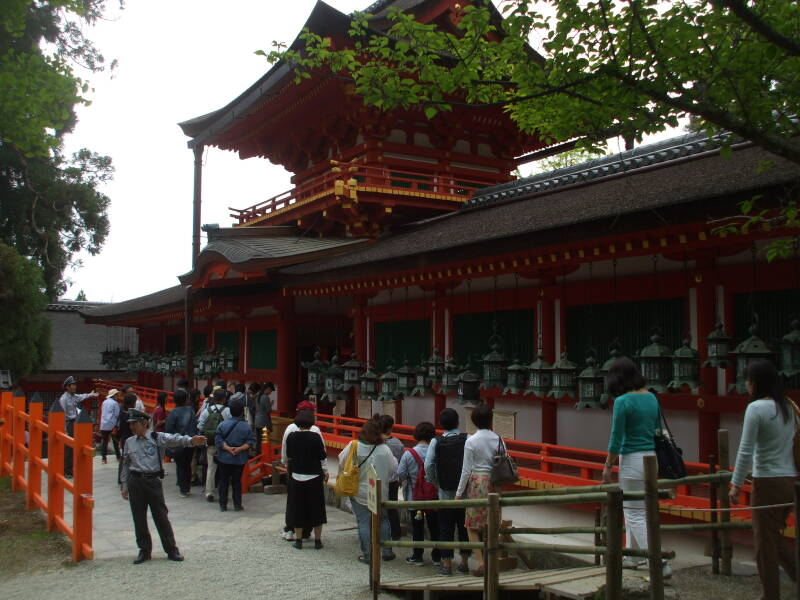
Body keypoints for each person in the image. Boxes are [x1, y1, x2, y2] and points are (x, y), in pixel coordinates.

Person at [730, 360, 797, 600]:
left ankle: (770, 595)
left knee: (764, 544)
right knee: (775, 539)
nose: (746, 385)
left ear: (756, 383)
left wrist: (736, 483)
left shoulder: (756, 408)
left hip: (766, 480)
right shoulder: (788, 406)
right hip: (789, 480)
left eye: (747, 380)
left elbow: (746, 450)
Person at [601, 356, 671, 578]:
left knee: (634, 514)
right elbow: (657, 429)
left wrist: (608, 465)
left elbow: (616, 436)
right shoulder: (652, 397)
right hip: (651, 457)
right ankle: (634, 555)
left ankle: (659, 564)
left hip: (631, 459)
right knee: (640, 509)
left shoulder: (622, 402)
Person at [119, 408, 206, 564]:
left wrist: (191, 440)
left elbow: (175, 439)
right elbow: (125, 464)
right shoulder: (129, 442)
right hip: (135, 480)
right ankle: (144, 550)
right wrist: (124, 484)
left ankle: (171, 549)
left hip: (153, 481)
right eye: (130, 424)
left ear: (144, 423)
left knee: (161, 516)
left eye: (135, 423)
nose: (132, 427)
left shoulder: (156, 438)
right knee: (138, 517)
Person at [338, 418, 397, 565]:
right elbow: (393, 469)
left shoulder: (354, 446)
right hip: (380, 491)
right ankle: (387, 552)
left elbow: (341, 461)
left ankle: (368, 555)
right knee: (383, 520)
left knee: (364, 522)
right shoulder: (385, 449)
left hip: (359, 491)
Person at [425, 408, 471, 576]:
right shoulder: (467, 439)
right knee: (464, 527)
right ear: (458, 422)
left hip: (444, 492)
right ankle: (465, 563)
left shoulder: (436, 441)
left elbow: (428, 465)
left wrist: (436, 482)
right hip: (464, 493)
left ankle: (446, 565)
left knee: (445, 527)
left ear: (441, 424)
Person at [455, 403, 497, 577]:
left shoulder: (471, 440)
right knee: (491, 523)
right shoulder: (498, 439)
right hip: (493, 482)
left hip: (477, 481)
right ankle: (491, 559)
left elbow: (466, 469)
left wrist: (459, 493)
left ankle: (481, 562)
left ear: (474, 421)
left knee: (471, 525)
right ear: (490, 419)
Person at [397, 421, 441, 567]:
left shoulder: (409, 454)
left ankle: (418, 556)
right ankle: (437, 556)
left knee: (417, 527)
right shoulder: (435, 452)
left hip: (414, 496)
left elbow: (401, 474)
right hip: (433, 496)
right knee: (435, 526)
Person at [285, 409, 328, 548]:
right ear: (311, 423)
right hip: (314, 476)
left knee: (298, 507)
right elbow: (322, 456)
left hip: (297, 475)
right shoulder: (315, 436)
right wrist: (325, 471)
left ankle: (298, 540)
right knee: (316, 507)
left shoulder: (291, 436)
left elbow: (288, 455)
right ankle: (317, 540)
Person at [215, 400, 256, 512]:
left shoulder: (222, 424)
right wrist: (240, 448)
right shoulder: (246, 426)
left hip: (224, 457)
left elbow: (218, 440)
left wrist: (227, 448)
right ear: (242, 412)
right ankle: (237, 504)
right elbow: (251, 441)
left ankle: (223, 504)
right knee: (237, 482)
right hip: (239, 458)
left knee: (223, 481)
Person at [55, 376, 97, 478]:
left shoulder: (73, 396)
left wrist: (91, 394)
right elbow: (62, 415)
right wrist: (64, 430)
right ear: (67, 387)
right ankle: (67, 471)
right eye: (73, 385)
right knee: (69, 448)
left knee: (77, 446)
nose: (75, 386)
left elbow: (82, 397)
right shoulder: (64, 399)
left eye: (75, 384)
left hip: (76, 423)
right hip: (69, 424)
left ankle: (74, 468)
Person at [198, 388, 231, 502]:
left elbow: (200, 426)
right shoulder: (227, 411)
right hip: (224, 443)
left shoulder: (207, 411)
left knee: (211, 468)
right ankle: (223, 491)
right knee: (224, 468)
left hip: (211, 441)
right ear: (224, 399)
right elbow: (231, 425)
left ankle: (209, 492)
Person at [164, 389, 197, 498]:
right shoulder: (191, 410)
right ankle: (186, 486)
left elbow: (169, 428)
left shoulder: (173, 412)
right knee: (187, 464)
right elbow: (194, 425)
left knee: (180, 465)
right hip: (190, 441)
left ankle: (183, 488)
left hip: (178, 441)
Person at [379, 414, 404, 541]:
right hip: (393, 479)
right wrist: (400, 478)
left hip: (377, 480)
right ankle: (395, 532)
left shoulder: (374, 441)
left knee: (377, 505)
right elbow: (400, 462)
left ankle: (379, 531)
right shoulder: (397, 443)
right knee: (392, 506)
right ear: (390, 428)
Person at [117, 394, 137, 485]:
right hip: (129, 438)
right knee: (127, 460)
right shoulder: (129, 415)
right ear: (131, 404)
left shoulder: (122, 411)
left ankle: (121, 478)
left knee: (124, 459)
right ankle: (125, 478)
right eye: (134, 402)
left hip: (123, 437)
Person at [99, 388, 122, 464]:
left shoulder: (104, 402)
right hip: (112, 425)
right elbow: (117, 414)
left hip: (104, 424)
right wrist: (117, 425)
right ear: (114, 395)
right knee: (115, 442)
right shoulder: (115, 403)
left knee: (104, 442)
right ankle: (118, 457)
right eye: (116, 395)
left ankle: (103, 458)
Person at [253, 382, 274, 457]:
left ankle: (258, 455)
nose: (270, 393)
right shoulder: (265, 397)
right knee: (264, 440)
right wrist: (271, 405)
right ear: (268, 389)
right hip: (264, 421)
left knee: (258, 440)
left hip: (257, 420)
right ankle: (263, 455)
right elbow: (268, 410)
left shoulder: (258, 396)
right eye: (271, 391)